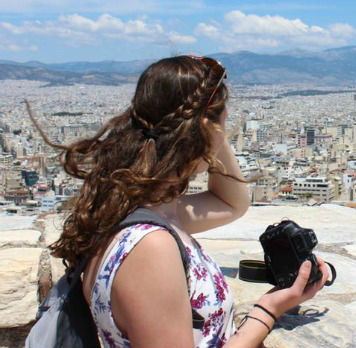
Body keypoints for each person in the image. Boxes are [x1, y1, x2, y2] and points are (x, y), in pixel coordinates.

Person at [29, 56, 331, 348]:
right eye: (222, 124)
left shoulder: (130, 211)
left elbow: (230, 203)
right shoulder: (150, 247)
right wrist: (267, 311)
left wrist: (207, 127)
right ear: (203, 130)